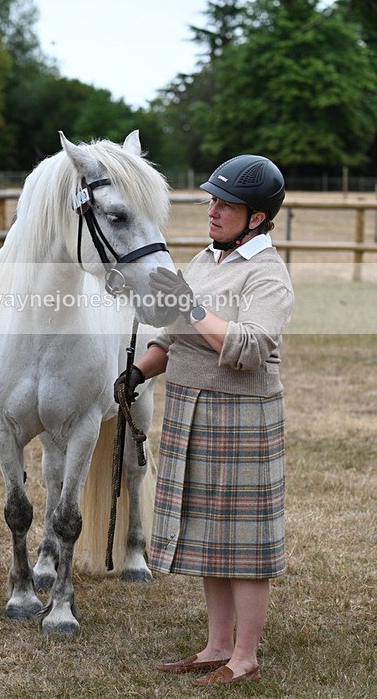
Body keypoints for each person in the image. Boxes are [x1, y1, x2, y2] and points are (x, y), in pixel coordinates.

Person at [115, 154, 294, 687]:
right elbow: (172, 334)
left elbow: (249, 347)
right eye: (211, 200)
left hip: (241, 415)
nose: (212, 210)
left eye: (226, 204)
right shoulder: (207, 260)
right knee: (212, 538)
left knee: (245, 545)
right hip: (191, 409)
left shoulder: (268, 275)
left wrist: (189, 305)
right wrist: (139, 372)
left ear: (257, 218)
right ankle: (216, 646)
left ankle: (245, 656)